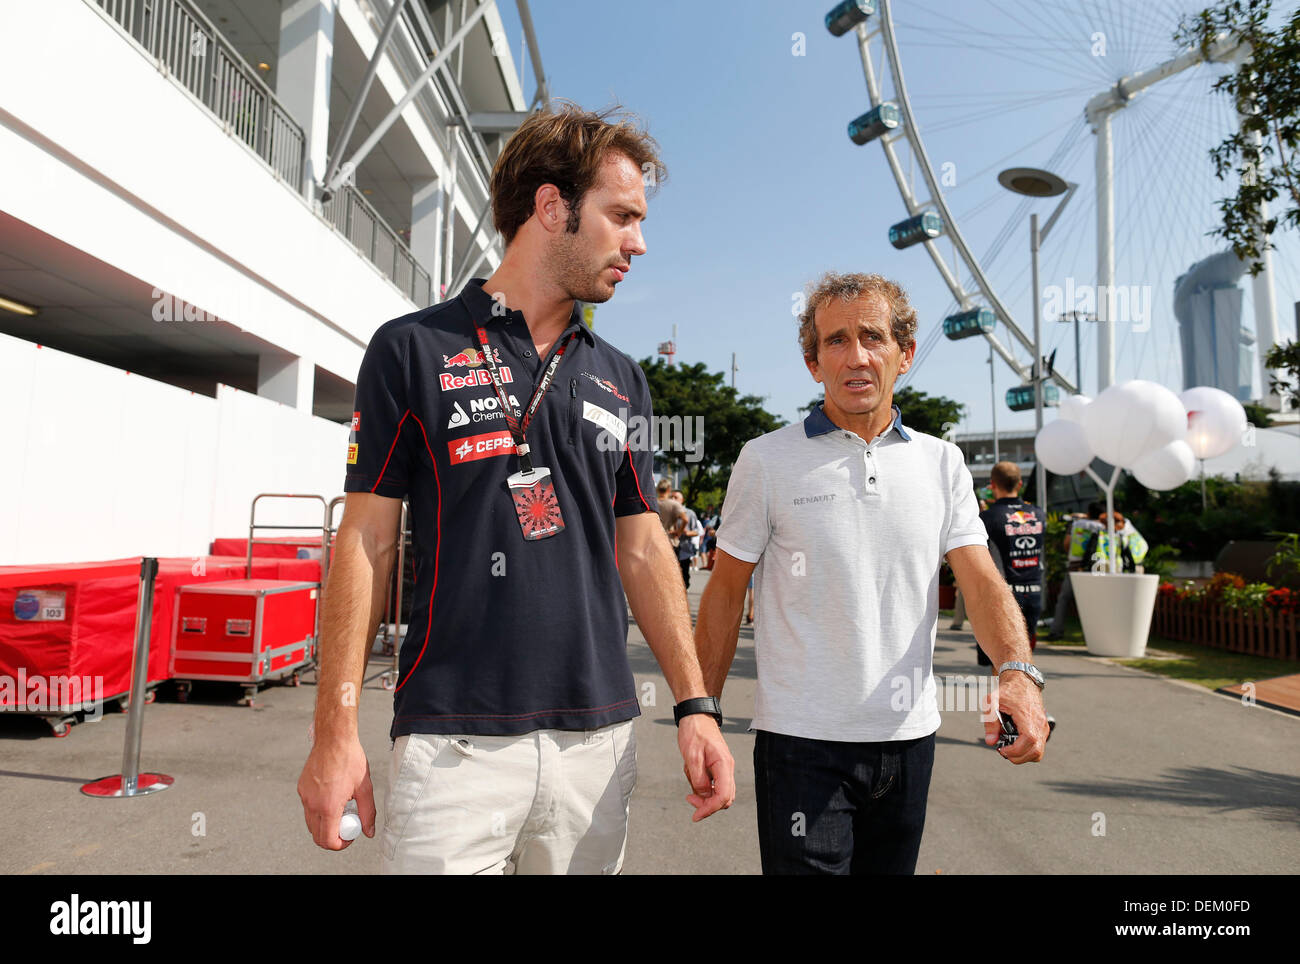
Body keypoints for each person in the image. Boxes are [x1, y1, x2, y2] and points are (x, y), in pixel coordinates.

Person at [298, 103, 734, 875]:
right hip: (452, 745)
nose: (640, 242)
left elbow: (643, 548)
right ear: (551, 206)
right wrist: (335, 727)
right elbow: (363, 540)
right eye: (622, 216)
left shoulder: (623, 378)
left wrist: (696, 705)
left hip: (597, 744)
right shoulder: (411, 348)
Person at [695, 271, 1048, 875]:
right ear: (813, 364)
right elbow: (726, 595)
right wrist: (699, 712)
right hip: (801, 746)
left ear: (904, 354)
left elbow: (982, 579)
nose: (855, 356)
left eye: (873, 337)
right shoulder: (766, 459)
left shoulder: (943, 462)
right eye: (835, 341)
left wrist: (1017, 672)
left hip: (910, 744)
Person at [1047, 502, 1102, 639]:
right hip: (1098, 566)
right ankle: (1094, 634)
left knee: (1064, 598)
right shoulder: (1105, 526)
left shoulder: (1077, 525)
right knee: (1095, 601)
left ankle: (1056, 631)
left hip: (1076, 566)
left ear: (1088, 512)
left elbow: (1067, 544)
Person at [672, 490, 702, 586]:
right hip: (670, 548)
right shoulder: (667, 512)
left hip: (684, 549)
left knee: (684, 576)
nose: (673, 499)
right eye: (671, 497)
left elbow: (697, 531)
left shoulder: (689, 513)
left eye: (676, 497)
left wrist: (687, 533)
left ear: (682, 500)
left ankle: (684, 590)